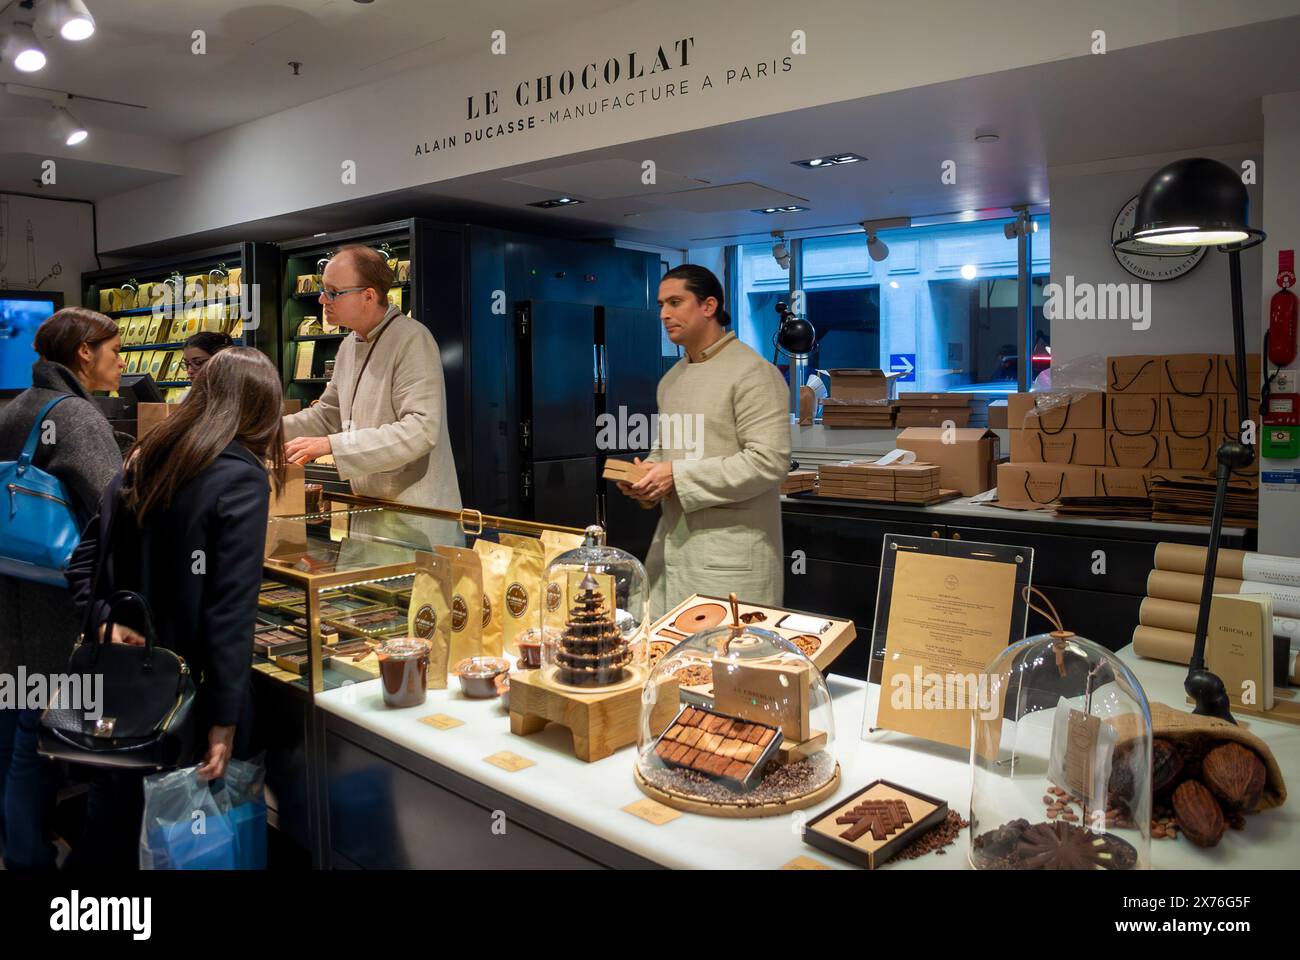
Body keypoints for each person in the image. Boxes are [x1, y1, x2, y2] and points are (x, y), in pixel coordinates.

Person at [66, 347, 286, 869]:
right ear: (260, 410)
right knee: (190, 844)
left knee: (114, 831)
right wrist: (225, 721)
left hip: (120, 695)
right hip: (189, 701)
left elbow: (79, 567)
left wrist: (105, 621)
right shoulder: (241, 477)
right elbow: (230, 613)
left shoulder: (142, 459)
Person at [0, 307, 124, 870]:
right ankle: (29, 857)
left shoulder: (14, 408)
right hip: (61, 605)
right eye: (114, 350)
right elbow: (112, 510)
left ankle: (16, 845)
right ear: (84, 353)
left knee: (12, 729)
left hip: (12, 600)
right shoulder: (78, 417)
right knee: (37, 743)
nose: (120, 361)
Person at [619, 265, 791, 618]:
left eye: (676, 302)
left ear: (708, 306)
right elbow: (668, 453)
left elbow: (769, 461)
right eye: (661, 305)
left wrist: (676, 476)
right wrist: (648, 477)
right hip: (672, 549)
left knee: (730, 664)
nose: (665, 314)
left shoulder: (754, 373)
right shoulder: (671, 380)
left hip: (733, 557)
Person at [281, 244, 461, 547]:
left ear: (369, 295)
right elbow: (329, 413)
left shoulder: (412, 339)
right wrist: (268, 430)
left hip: (416, 517)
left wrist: (330, 445)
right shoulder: (349, 345)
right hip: (369, 511)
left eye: (334, 292)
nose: (323, 299)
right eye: (324, 290)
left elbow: (420, 431)